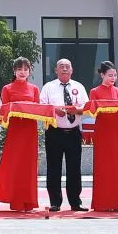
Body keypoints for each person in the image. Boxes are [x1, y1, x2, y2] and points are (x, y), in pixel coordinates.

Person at [0, 56, 41, 213]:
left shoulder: (34, 89)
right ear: (14, 71)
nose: (23, 72)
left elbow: (38, 109)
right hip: (15, 130)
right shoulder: (7, 88)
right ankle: (16, 201)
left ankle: (29, 201)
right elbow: (3, 110)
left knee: (29, 165)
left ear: (29, 71)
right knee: (15, 164)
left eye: (26, 69)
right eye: (19, 69)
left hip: (30, 130)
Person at [39, 57, 87, 212]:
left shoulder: (78, 87)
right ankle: (55, 202)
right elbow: (42, 108)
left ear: (72, 70)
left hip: (73, 132)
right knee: (54, 168)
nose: (65, 69)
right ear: (56, 70)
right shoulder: (48, 87)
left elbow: (87, 107)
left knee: (74, 168)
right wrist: (54, 110)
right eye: (61, 67)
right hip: (54, 132)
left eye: (67, 66)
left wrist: (77, 110)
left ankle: (75, 202)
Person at [88, 60, 118, 212]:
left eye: (115, 75)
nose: (113, 78)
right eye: (110, 75)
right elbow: (93, 110)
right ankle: (103, 202)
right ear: (102, 74)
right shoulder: (95, 91)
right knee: (103, 164)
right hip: (102, 129)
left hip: (116, 129)